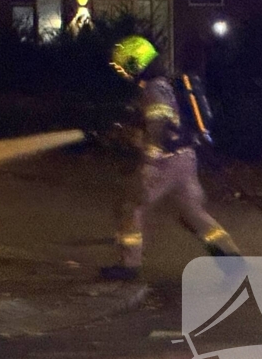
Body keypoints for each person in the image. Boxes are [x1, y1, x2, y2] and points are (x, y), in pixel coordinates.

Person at [101, 36, 240, 281]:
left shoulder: (153, 89)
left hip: (164, 161)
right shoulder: (167, 85)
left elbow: (158, 125)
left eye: (123, 67)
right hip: (186, 158)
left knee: (130, 206)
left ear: (136, 63)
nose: (122, 73)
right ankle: (231, 260)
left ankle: (129, 265)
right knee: (192, 213)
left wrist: (150, 164)